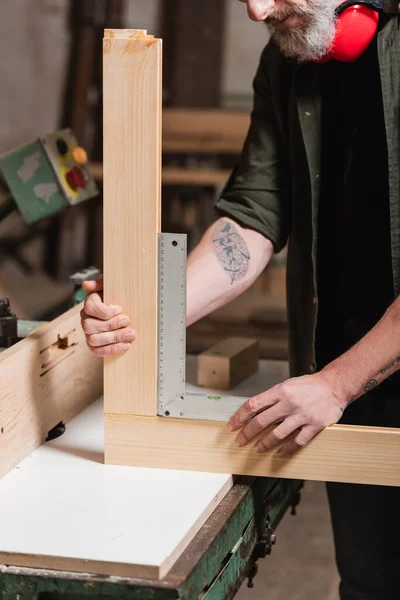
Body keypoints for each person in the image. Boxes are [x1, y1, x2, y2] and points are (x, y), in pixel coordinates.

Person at [81, 1, 400, 598]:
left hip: (348, 377)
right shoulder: (291, 58)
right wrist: (148, 313)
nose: (256, 9)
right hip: (343, 377)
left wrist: (338, 383)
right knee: (372, 580)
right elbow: (255, 216)